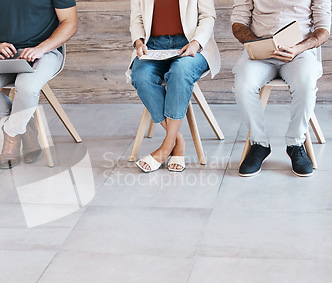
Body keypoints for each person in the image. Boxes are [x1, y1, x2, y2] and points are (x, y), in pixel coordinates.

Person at [0, 0, 77, 169]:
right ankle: (26, 124)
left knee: (26, 87)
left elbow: (70, 23)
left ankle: (12, 134)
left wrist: (42, 48)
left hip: (46, 52)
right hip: (5, 52)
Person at [232, 0, 331, 177]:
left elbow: (323, 29)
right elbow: (238, 22)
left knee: (306, 84)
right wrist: (258, 45)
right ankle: (259, 144)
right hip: (261, 53)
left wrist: (298, 48)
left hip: (300, 52)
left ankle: (296, 143)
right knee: (243, 85)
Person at [128, 0, 221, 173]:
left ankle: (165, 147)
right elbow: (137, 19)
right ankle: (176, 139)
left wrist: (196, 42)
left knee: (180, 72)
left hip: (192, 44)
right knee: (141, 76)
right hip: (153, 46)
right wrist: (139, 42)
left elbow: (208, 16)